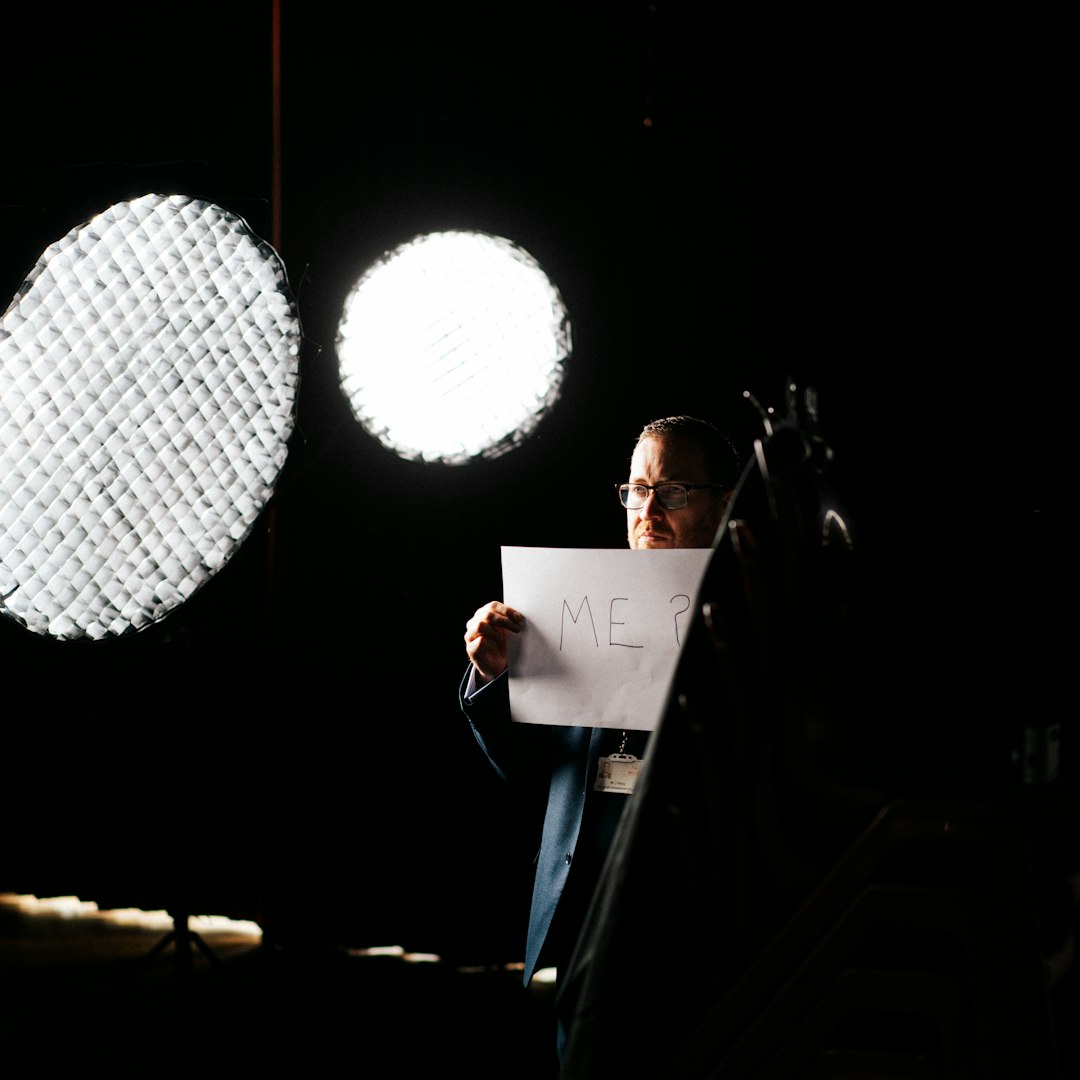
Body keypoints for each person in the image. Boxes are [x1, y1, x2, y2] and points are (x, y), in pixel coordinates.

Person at [459, 415, 740, 1061]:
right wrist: (491, 675)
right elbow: (528, 769)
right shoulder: (581, 606)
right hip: (584, 914)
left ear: (723, 501)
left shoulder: (753, 612)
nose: (649, 509)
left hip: (700, 920)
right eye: (637, 490)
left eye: (673, 491)